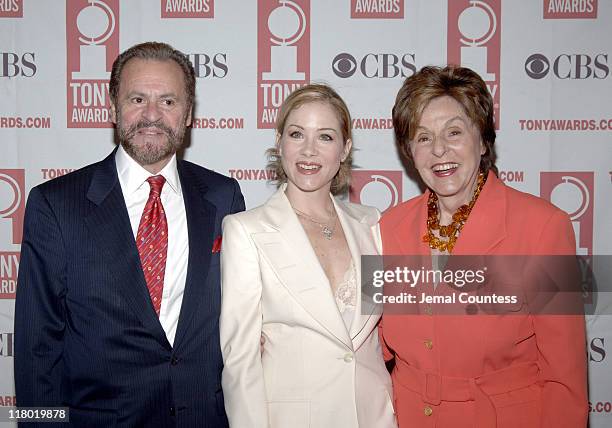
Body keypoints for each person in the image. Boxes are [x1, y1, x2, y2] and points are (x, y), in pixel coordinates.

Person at [14, 42, 244, 427]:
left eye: (168, 101)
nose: (152, 115)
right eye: (137, 98)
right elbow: (36, 350)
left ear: (188, 114)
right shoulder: (55, 204)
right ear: (112, 106)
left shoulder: (223, 197)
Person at [379, 65, 588, 427]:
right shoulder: (386, 227)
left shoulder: (543, 228)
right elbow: (370, 345)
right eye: (423, 137)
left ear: (483, 139)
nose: (439, 149)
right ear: (408, 150)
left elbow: (564, 378)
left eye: (454, 132)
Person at [219, 84, 397, 428]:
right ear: (279, 141)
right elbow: (240, 361)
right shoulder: (246, 231)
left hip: (373, 416)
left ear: (344, 149)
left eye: (326, 137)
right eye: (297, 134)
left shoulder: (372, 223)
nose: (309, 151)